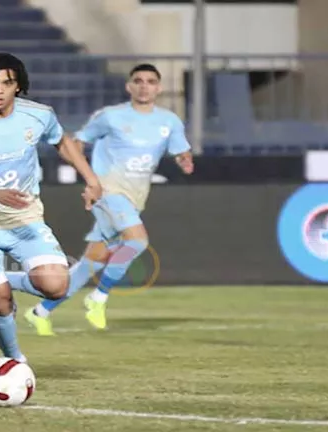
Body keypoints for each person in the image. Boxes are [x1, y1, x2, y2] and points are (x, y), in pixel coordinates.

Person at [0, 51, 102, 362]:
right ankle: (16, 361)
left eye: (7, 83)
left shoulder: (38, 115)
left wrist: (91, 179)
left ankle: (0, 282)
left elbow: (62, 141)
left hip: (23, 217)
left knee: (56, 286)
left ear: (18, 86)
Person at [10, 63, 195, 336]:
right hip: (108, 192)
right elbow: (77, 142)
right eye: (138, 81)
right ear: (129, 86)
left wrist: (184, 160)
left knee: (90, 263)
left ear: (159, 88)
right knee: (137, 241)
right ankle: (98, 297)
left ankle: (40, 312)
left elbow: (181, 150)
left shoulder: (169, 121)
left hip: (135, 197)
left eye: (150, 81)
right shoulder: (110, 116)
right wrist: (89, 179)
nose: (144, 86)